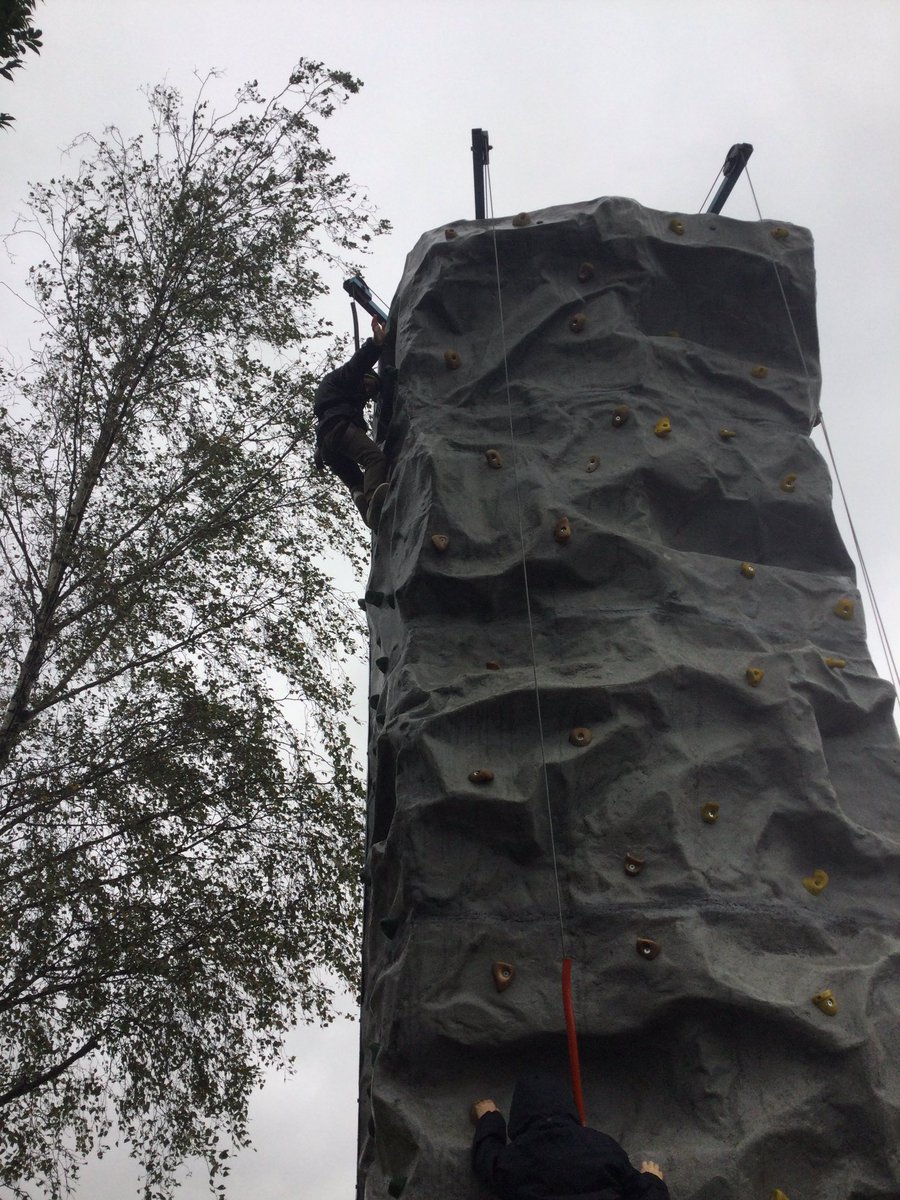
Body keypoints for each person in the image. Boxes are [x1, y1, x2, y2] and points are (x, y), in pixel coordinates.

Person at [471, 1073, 670, 1200]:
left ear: (518, 1116)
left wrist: (490, 1117)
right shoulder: (604, 1147)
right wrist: (652, 1181)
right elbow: (636, 1190)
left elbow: (486, 1156)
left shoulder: (513, 1159)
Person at [314, 316, 389, 528]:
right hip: (340, 429)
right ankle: (374, 499)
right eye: (369, 385)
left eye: (372, 392)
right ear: (362, 377)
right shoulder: (343, 378)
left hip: (328, 447)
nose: (368, 391)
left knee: (356, 483)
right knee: (375, 459)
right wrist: (376, 343)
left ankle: (368, 514)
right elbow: (358, 364)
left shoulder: (336, 397)